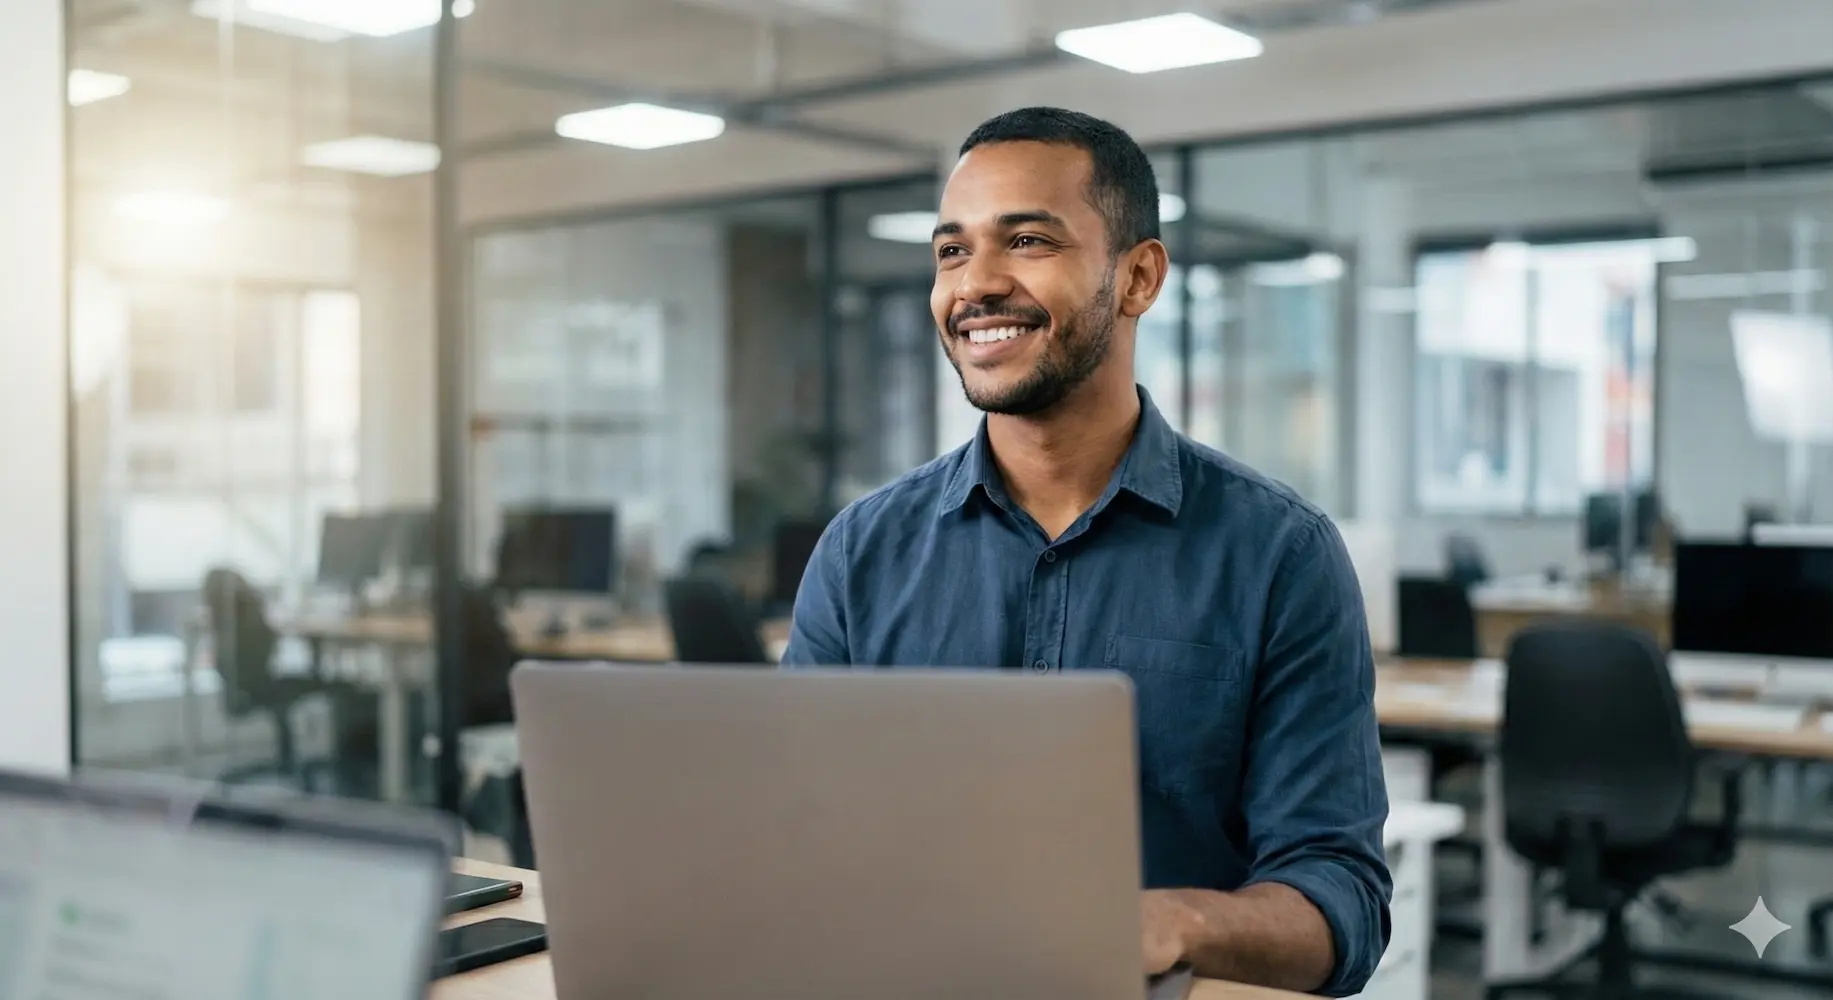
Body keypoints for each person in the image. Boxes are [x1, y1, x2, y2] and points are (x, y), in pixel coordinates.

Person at [780, 107, 1390, 997]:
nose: (975, 284)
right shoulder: (862, 551)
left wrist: (1164, 923)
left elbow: (1340, 902)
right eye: (951, 251)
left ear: (1137, 278)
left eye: (1026, 240)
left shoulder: (1279, 554)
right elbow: (792, 834)